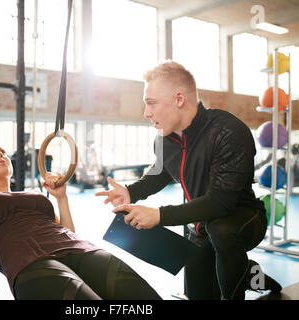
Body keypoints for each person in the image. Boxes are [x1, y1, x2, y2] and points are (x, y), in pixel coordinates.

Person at [96, 61, 281, 300]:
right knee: (199, 294)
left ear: (179, 99)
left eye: (150, 103)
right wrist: (131, 192)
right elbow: (160, 172)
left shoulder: (228, 132)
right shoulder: (164, 139)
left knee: (221, 230)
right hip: (199, 225)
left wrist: (159, 215)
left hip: (242, 220)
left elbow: (220, 203)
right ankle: (246, 275)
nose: (146, 113)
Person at [0, 141, 161, 300]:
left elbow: (67, 232)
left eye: (2, 151)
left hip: (80, 249)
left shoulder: (34, 195)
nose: (1, 155)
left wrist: (61, 198)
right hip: (30, 263)